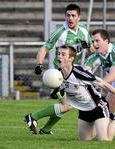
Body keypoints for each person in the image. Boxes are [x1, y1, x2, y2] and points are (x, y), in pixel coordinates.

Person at [26, 45, 115, 140]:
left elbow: (104, 84)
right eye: (58, 54)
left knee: (105, 139)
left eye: (63, 54)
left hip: (98, 107)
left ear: (71, 58)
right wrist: (57, 93)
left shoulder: (79, 73)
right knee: (85, 140)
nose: (59, 56)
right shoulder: (57, 75)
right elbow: (64, 102)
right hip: (83, 111)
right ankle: (103, 124)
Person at [25, 4, 93, 135]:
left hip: (72, 74)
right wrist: (39, 64)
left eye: (73, 15)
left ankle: (45, 129)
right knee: (67, 106)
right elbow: (45, 48)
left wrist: (88, 46)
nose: (70, 18)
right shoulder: (60, 32)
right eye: (68, 15)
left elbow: (92, 49)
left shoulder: (84, 31)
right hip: (58, 75)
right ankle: (33, 117)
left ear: (79, 17)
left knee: (66, 106)